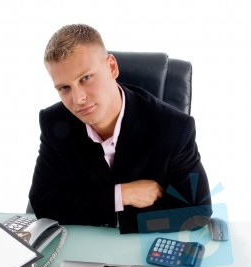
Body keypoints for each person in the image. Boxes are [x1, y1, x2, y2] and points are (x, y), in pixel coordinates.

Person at [29, 24, 212, 234]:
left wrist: (115, 217)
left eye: (86, 78)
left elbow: (197, 212)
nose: (78, 98)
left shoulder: (173, 128)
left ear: (112, 67)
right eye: (64, 88)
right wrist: (121, 195)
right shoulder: (54, 121)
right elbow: (43, 202)